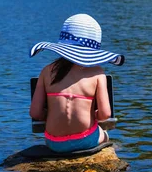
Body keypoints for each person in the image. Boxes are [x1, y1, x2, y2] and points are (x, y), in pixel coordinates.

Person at [29, 14, 124, 153]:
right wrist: (91, 115)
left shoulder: (47, 71)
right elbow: (105, 114)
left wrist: (49, 114)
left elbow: (35, 113)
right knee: (105, 136)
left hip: (54, 143)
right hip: (85, 141)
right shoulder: (97, 73)